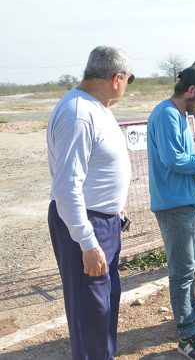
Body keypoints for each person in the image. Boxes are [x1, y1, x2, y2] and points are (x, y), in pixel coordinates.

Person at [47, 46, 134, 360]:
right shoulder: (78, 114)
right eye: (128, 79)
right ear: (116, 79)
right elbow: (67, 185)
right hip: (85, 223)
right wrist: (86, 241)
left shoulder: (97, 107)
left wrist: (115, 206)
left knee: (104, 305)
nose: (127, 85)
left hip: (104, 220)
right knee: (90, 314)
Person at [147, 64, 195, 360]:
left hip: (186, 201)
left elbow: (181, 162)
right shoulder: (167, 114)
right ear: (192, 91)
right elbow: (173, 159)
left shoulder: (178, 115)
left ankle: (194, 317)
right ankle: (187, 336)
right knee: (182, 272)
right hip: (174, 205)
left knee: (190, 267)